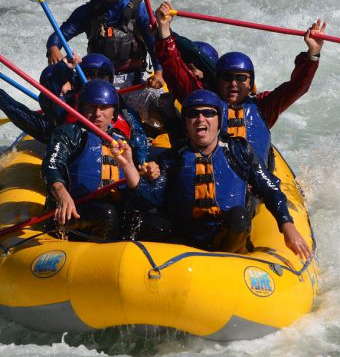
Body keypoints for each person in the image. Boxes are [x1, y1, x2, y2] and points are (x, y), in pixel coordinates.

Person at [111, 89, 312, 261]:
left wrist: (287, 225)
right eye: (193, 114)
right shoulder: (174, 158)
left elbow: (269, 188)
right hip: (185, 237)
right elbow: (151, 198)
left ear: (219, 120)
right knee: (152, 224)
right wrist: (129, 167)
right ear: (186, 124)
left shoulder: (238, 152)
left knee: (239, 217)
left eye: (208, 113)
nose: (201, 119)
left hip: (224, 237)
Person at [154, 0, 325, 165]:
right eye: (227, 78)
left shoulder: (264, 106)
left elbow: (298, 87)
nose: (234, 84)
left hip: (257, 188)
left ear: (251, 83)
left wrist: (313, 54)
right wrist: (164, 29)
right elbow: (175, 70)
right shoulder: (204, 103)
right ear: (217, 80)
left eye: (241, 78)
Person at [41, 80, 131, 240]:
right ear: (81, 109)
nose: (98, 114)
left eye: (104, 108)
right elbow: (52, 166)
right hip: (70, 212)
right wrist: (61, 193)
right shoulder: (69, 133)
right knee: (106, 214)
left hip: (108, 209)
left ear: (114, 112)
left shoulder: (121, 140)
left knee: (135, 216)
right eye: (91, 107)